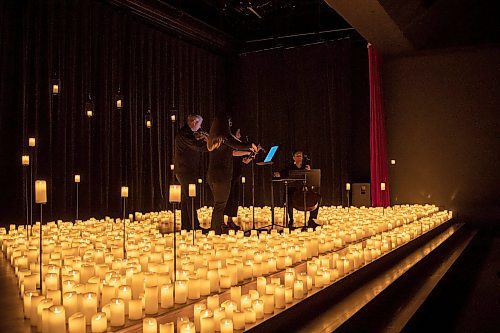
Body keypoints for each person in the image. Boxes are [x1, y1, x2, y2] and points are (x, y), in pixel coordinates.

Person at [206, 116, 257, 235]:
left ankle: (216, 230)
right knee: (220, 205)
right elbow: (237, 145)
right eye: (228, 122)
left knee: (218, 204)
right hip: (222, 176)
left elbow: (232, 152)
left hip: (213, 175)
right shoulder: (224, 137)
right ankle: (216, 231)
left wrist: (248, 151)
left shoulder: (215, 138)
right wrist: (251, 145)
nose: (229, 125)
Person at [174, 114, 208, 232]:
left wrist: (199, 137)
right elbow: (198, 146)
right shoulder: (185, 134)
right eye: (199, 124)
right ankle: (194, 226)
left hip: (185, 170)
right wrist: (210, 143)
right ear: (194, 122)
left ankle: (187, 225)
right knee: (190, 197)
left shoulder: (187, 133)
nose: (200, 127)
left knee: (186, 199)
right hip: (185, 170)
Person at [274, 150, 320, 229]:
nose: (299, 157)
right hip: (293, 190)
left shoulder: (306, 167)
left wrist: (310, 172)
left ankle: (311, 219)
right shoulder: (289, 167)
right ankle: (291, 220)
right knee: (288, 197)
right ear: (293, 158)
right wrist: (278, 174)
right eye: (297, 156)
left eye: (300, 156)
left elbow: (312, 180)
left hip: (304, 191)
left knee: (318, 197)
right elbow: (281, 174)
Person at [223, 126, 252, 230]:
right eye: (238, 134)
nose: (239, 136)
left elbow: (243, 160)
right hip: (229, 174)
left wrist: (250, 157)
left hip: (237, 174)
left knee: (235, 198)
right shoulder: (229, 143)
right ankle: (223, 222)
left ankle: (230, 220)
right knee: (228, 197)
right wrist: (247, 151)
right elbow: (233, 153)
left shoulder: (239, 145)